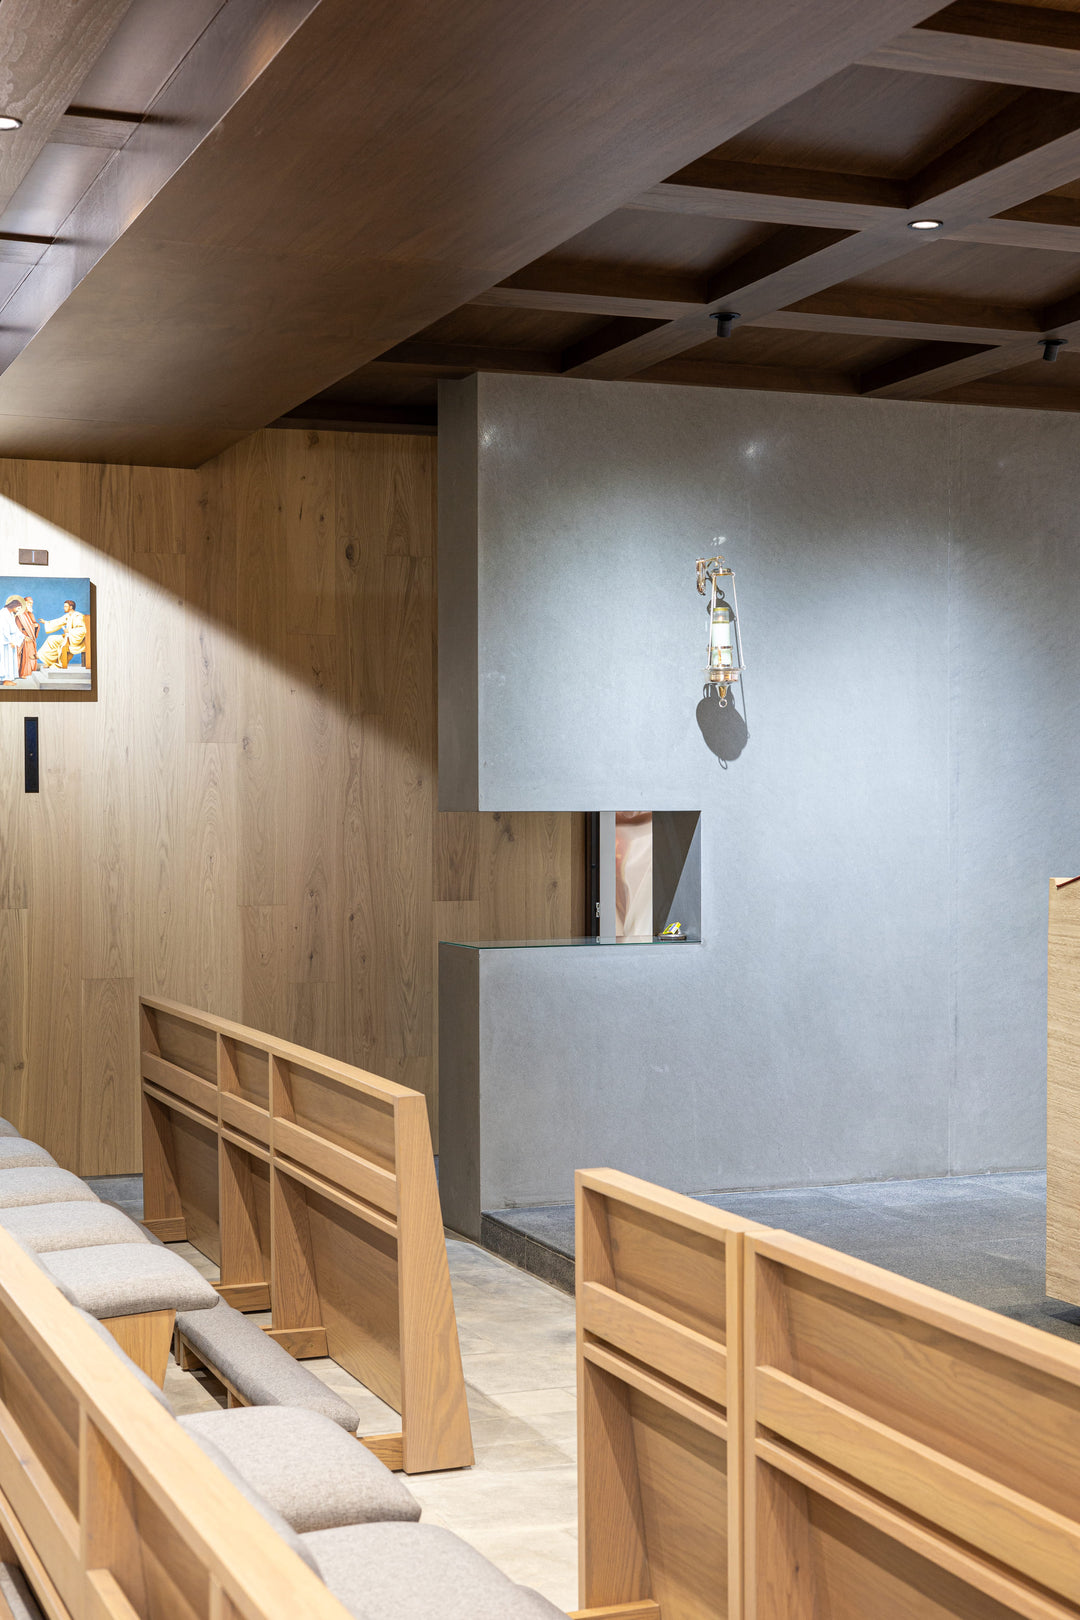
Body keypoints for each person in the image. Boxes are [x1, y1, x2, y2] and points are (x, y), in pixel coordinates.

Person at [40, 600, 88, 669]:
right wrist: (46, 622)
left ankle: (58, 664)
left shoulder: (78, 616)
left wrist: (69, 631)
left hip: (74, 639)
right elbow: (58, 622)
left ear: (71, 607)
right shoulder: (67, 616)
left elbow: (82, 630)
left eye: (65, 606)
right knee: (51, 639)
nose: (64, 608)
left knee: (61, 644)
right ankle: (49, 662)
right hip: (68, 637)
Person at [13, 595, 39, 679]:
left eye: (32, 603)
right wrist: (23, 636)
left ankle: (30, 671)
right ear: (24, 604)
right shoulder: (19, 615)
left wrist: (36, 626)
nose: (31, 605)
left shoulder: (30, 614)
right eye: (29, 603)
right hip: (24, 638)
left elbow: (34, 623)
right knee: (25, 655)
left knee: (31, 654)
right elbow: (17, 628)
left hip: (31, 638)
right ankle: (23, 673)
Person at [0, 595, 21, 685]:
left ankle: (8, 678)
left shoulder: (11, 614)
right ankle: (4, 679)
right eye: (18, 608)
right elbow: (4, 629)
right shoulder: (3, 613)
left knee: (9, 659)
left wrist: (23, 636)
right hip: (4, 641)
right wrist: (10, 641)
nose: (18, 610)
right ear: (13, 606)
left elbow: (15, 628)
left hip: (9, 640)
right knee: (5, 660)